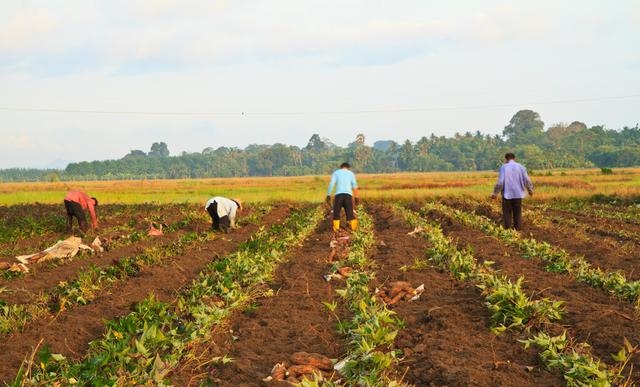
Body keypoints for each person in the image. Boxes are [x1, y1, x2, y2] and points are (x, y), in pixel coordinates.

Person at [491, 152, 534, 231]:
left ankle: (508, 231)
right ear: (514, 158)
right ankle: (518, 230)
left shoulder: (504, 167)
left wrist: (495, 193)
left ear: (506, 159)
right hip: (518, 194)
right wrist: (530, 190)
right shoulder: (521, 167)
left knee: (507, 213)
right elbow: (527, 180)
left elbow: (500, 182)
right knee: (517, 213)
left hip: (507, 194)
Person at [326, 162, 360, 232]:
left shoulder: (336, 173)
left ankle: (336, 230)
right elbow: (355, 186)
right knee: (350, 214)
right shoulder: (351, 174)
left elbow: (331, 184)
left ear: (341, 167)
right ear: (348, 167)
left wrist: (328, 194)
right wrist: (356, 197)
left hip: (339, 196)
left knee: (336, 214)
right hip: (348, 196)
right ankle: (354, 230)